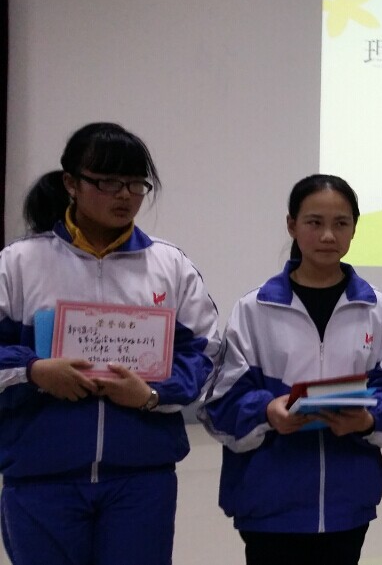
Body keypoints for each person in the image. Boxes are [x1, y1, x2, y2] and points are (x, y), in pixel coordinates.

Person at [0, 122, 220, 565]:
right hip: (41, 477)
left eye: (136, 184)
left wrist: (152, 394)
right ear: (71, 183)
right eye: (108, 183)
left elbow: (207, 354)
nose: (125, 196)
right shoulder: (20, 263)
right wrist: (34, 371)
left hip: (141, 480)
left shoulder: (168, 265)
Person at [198, 175, 382, 565]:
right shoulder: (255, 308)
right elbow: (220, 401)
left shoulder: (378, 309)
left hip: (347, 503)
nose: (328, 235)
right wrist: (267, 411)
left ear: (354, 229)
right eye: (314, 222)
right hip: (271, 501)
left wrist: (367, 420)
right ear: (292, 225)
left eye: (341, 223)